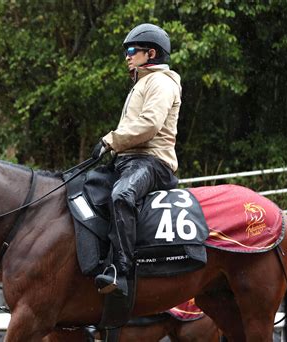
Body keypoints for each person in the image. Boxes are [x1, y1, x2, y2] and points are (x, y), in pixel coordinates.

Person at [91, 23, 182, 297]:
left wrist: (110, 140)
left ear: (150, 54)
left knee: (122, 194)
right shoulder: (142, 82)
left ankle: (122, 271)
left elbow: (149, 125)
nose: (127, 56)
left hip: (153, 163)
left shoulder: (161, 83)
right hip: (128, 161)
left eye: (132, 50)